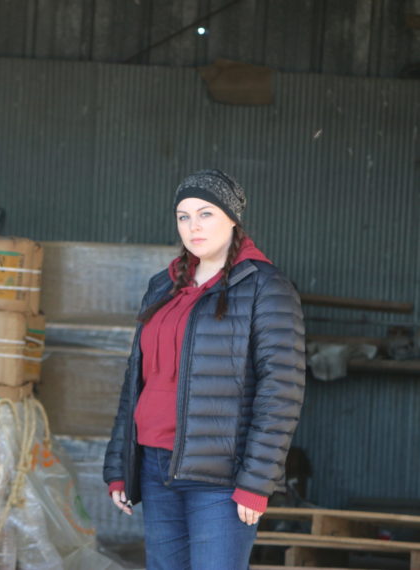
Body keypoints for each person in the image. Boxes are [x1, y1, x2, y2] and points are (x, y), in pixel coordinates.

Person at [103, 169, 305, 570]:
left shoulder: (265, 287)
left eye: (206, 213)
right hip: (155, 464)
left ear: (232, 218)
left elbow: (281, 389)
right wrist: (119, 466)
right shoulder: (163, 286)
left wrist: (256, 482)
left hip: (220, 477)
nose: (193, 226)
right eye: (183, 216)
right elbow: (136, 381)